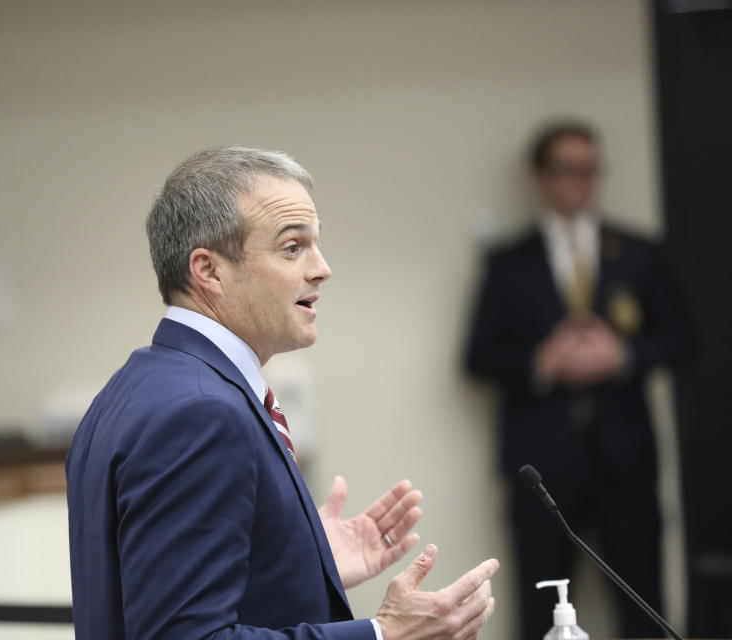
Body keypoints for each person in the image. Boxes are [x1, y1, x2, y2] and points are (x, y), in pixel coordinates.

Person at [67, 147, 499, 639]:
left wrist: (301, 555)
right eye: (293, 248)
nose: (321, 268)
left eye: (315, 245)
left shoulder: (136, 387)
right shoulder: (201, 413)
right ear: (208, 271)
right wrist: (384, 634)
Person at [464, 122, 686, 640]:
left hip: (626, 461)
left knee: (644, 605)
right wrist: (543, 360)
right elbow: (477, 359)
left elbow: (681, 340)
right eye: (567, 170)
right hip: (541, 469)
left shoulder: (637, 252)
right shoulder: (508, 262)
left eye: (589, 171)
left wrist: (623, 354)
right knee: (543, 609)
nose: (580, 183)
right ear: (540, 176)